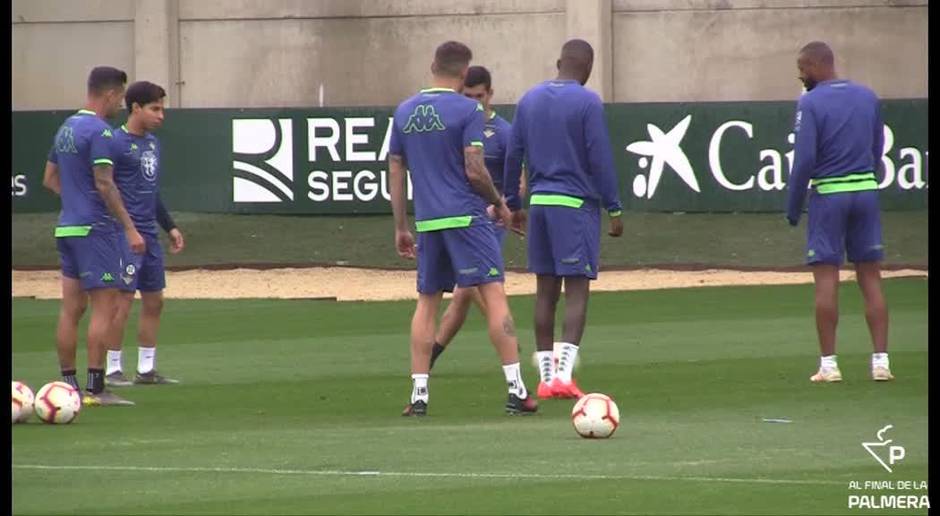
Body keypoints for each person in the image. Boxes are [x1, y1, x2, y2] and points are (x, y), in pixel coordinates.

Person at [388, 41, 537, 416]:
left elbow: (395, 170)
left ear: (432, 65)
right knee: (495, 293)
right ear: (462, 72)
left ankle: (419, 395)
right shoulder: (468, 110)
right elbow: (474, 167)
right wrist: (501, 204)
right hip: (467, 217)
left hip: (428, 220)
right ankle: (516, 390)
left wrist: (402, 226)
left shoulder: (404, 112)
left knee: (427, 301)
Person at [503, 39, 624, 400]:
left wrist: (513, 201)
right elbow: (599, 157)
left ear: (559, 62)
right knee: (576, 290)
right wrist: (614, 207)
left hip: (539, 203)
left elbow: (513, 154)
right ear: (588, 68)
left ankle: (544, 378)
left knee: (545, 291)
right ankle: (564, 376)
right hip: (575, 206)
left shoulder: (528, 99)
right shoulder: (587, 101)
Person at [785, 41, 892, 383]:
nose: (801, 76)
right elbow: (877, 149)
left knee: (826, 280)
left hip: (829, 195)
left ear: (817, 66)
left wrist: (793, 204)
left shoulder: (811, 102)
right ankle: (880, 362)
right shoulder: (867, 96)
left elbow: (804, 160)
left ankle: (829, 365)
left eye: (803, 69)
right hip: (866, 192)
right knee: (871, 278)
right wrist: (867, 180)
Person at [41, 66, 141, 406]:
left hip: (67, 226)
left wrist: (74, 201)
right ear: (110, 94)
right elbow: (104, 182)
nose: (121, 106)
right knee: (105, 306)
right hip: (95, 229)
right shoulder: (101, 132)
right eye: (121, 98)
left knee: (71, 310)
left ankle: (67, 386)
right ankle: (96, 389)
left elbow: (49, 178)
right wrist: (129, 227)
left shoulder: (66, 128)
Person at [428, 65, 526, 369]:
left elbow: (519, 181)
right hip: (464, 215)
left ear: (490, 94)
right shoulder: (457, 123)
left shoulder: (504, 132)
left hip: (491, 219)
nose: (473, 101)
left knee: (468, 288)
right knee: (464, 293)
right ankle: (432, 355)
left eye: (479, 96)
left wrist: (501, 204)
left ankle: (431, 356)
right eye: (467, 95)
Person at [103, 80, 185, 387]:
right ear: (135, 108)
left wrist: (170, 226)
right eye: (155, 108)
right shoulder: (113, 142)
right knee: (121, 302)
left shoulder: (152, 143)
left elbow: (151, 192)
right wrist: (126, 229)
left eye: (162, 109)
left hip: (149, 235)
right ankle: (112, 369)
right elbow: (105, 189)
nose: (161, 115)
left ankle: (146, 369)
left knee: (155, 301)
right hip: (123, 235)